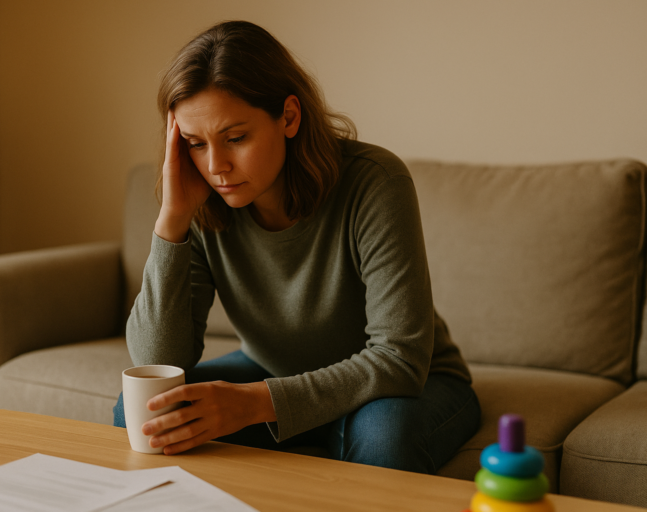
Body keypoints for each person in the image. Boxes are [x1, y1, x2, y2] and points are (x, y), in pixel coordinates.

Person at [113, 20, 480, 474]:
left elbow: (399, 359)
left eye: (235, 138)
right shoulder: (201, 201)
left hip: (406, 385)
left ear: (288, 116)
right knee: (153, 414)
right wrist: (172, 220)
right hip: (274, 372)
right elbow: (157, 363)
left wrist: (254, 404)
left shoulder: (376, 183)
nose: (216, 166)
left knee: (385, 439)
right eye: (194, 144)